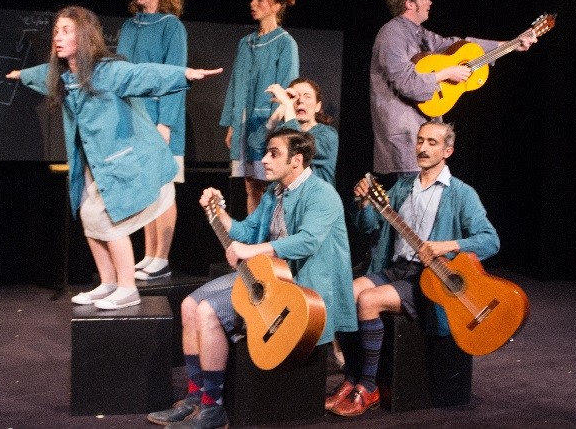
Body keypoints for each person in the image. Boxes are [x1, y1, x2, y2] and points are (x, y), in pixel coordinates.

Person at [5, 5, 221, 310]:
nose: (58, 37)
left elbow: (142, 74)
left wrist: (184, 73)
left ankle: (127, 287)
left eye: (66, 31)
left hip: (121, 162)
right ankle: (108, 282)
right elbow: (42, 74)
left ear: (83, 36)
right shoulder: (63, 76)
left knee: (110, 222)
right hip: (93, 164)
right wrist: (21, 74)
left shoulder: (106, 71)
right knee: (89, 216)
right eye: (56, 31)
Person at [147, 128, 357, 428]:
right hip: (270, 276)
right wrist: (217, 212)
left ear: (296, 160)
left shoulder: (322, 194)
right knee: (189, 304)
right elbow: (246, 231)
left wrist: (252, 250)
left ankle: (213, 408)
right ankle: (195, 397)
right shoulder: (274, 192)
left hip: (300, 287)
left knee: (207, 311)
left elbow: (308, 241)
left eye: (274, 153)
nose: (265, 160)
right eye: (266, 153)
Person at [326, 121, 500, 417]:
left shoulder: (461, 193)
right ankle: (351, 378)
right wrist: (363, 204)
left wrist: (446, 246)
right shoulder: (403, 187)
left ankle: (368, 387)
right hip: (396, 269)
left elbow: (489, 240)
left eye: (432, 142)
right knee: (346, 294)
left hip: (428, 279)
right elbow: (368, 227)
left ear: (448, 151)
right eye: (420, 141)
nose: (423, 148)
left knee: (368, 300)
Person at [370, 0, 537, 186]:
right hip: (405, 136)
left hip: (424, 133)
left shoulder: (420, 33)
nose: (430, 2)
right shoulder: (392, 33)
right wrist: (447, 73)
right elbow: (405, 82)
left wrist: (510, 44)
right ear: (409, 4)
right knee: (409, 201)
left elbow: (458, 47)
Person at [116, 0, 188, 281]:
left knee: (163, 188)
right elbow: (120, 72)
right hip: (133, 118)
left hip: (160, 118)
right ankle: (149, 254)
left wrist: (166, 123)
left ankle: (162, 257)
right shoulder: (129, 26)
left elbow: (176, 78)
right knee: (146, 189)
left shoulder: (172, 27)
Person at [219, 0, 299, 214]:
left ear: (276, 6)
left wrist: (274, 131)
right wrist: (233, 124)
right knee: (250, 184)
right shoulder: (245, 43)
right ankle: (254, 234)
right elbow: (235, 83)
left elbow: (286, 91)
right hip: (245, 123)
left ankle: (270, 231)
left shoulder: (285, 43)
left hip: (267, 123)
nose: (252, 4)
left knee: (268, 183)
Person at [248, 77, 338, 185]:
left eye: (307, 96)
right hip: (284, 193)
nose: (300, 101)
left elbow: (300, 144)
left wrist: (287, 104)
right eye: (296, 97)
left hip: (312, 194)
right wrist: (282, 107)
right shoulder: (283, 131)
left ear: (317, 106)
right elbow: (256, 143)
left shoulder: (328, 134)